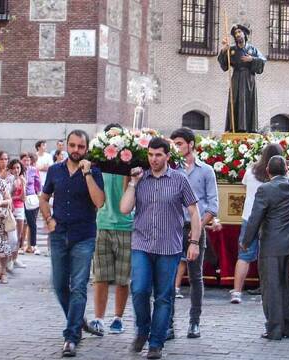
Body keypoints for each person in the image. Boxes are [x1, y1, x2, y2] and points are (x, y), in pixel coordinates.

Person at [119, 137, 201, 360]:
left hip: (169, 248)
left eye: (158, 155)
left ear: (167, 156)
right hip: (142, 245)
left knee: (164, 297)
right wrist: (133, 183)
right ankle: (142, 330)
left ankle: (156, 343)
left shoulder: (179, 180)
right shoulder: (141, 178)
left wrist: (194, 242)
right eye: (150, 155)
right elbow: (125, 208)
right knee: (139, 290)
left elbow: (194, 212)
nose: (153, 159)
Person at [40, 130, 106, 357]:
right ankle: (78, 320)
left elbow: (99, 202)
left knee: (78, 286)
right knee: (59, 284)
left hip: (83, 235)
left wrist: (87, 174)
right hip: (58, 235)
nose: (76, 150)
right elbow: (44, 197)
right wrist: (48, 219)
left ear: (86, 148)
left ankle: (71, 336)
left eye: (80, 146)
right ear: (66, 146)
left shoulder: (94, 171)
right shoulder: (55, 171)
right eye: (72, 145)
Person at [242, 155, 289, 340]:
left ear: (267, 171)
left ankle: (274, 329)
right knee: (288, 288)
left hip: (271, 245)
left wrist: (246, 240)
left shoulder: (265, 189)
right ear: (286, 169)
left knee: (271, 289)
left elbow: (255, 217)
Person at [169, 127, 219, 339]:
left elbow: (213, 205)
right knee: (168, 276)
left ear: (190, 144)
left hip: (195, 227)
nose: (176, 148)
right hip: (172, 228)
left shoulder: (206, 170)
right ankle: (167, 322)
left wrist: (198, 228)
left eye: (179, 144)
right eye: (174, 144)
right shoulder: (172, 169)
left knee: (196, 276)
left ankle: (194, 322)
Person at [87, 124, 134, 337]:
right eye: (110, 138)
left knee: (123, 277)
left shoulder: (129, 163)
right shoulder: (97, 165)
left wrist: (128, 166)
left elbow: (128, 192)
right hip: (102, 223)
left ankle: (118, 317)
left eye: (118, 138)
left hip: (126, 225)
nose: (114, 141)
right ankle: (98, 318)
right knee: (100, 276)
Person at [230, 143, 283, 304]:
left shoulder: (251, 170)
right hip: (270, 219)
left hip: (249, 216)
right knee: (268, 256)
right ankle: (267, 293)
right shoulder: (278, 175)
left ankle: (237, 292)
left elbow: (245, 188)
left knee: (244, 255)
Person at [218, 24, 266, 133]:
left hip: (249, 79)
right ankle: (233, 128)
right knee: (234, 101)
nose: (237, 35)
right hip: (236, 78)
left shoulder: (252, 49)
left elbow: (262, 60)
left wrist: (252, 59)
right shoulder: (232, 50)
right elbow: (224, 65)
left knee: (248, 102)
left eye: (239, 32)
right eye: (235, 33)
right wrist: (224, 51)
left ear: (244, 34)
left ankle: (249, 128)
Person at [21, 152, 41, 254]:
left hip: (31, 198)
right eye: (24, 160)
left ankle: (32, 245)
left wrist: (38, 194)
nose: (26, 162)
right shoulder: (17, 169)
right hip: (19, 199)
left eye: (28, 160)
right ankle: (21, 245)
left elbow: (38, 183)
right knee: (21, 223)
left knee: (31, 222)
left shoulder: (33, 170)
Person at [8, 159, 27, 269]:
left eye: (18, 168)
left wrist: (23, 186)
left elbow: (23, 198)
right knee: (11, 236)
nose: (16, 170)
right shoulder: (9, 180)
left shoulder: (22, 179)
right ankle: (9, 259)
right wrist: (16, 196)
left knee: (19, 235)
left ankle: (15, 258)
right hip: (11, 208)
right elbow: (8, 196)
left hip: (20, 208)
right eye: (14, 168)